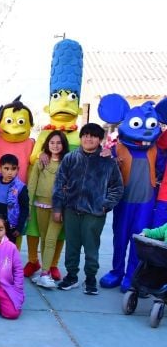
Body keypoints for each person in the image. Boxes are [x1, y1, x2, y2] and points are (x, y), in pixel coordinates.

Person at [52, 123, 123, 295]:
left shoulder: (108, 162)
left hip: (95, 213)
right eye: (85, 135)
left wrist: (105, 205)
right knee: (72, 246)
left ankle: (90, 278)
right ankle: (71, 276)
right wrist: (58, 208)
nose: (88, 139)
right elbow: (59, 183)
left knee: (91, 248)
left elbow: (117, 188)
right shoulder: (70, 158)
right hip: (71, 210)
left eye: (92, 136)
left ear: (100, 139)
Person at [28, 131, 70, 289]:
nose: (55, 146)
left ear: (63, 144)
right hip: (40, 205)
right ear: (47, 144)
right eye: (52, 142)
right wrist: (29, 206)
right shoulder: (42, 161)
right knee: (45, 239)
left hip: (59, 208)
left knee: (52, 239)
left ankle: (45, 273)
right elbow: (32, 184)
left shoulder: (68, 162)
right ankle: (43, 273)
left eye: (59, 143)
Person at [0, 154, 29, 244]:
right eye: (6, 168)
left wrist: (19, 227)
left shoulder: (20, 187)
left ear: (18, 169)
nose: (10, 172)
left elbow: (25, 208)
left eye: (13, 169)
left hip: (10, 226)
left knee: (7, 249)